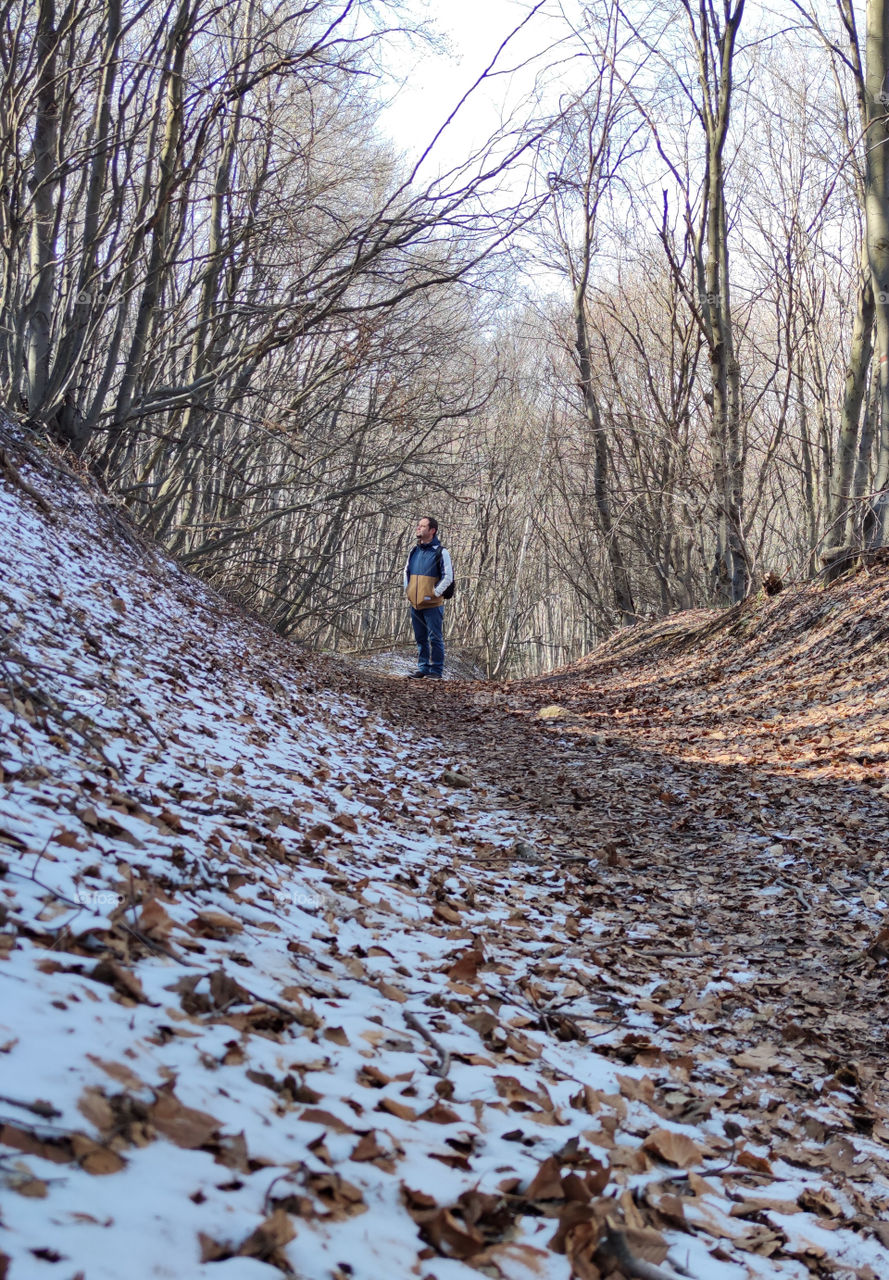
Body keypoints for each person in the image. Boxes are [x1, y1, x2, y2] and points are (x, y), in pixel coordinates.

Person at [403, 516, 453, 679]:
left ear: (432, 530)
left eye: (423, 526)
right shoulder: (414, 551)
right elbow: (406, 572)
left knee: (435, 638)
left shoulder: (441, 552)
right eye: (418, 525)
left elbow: (448, 576)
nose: (418, 528)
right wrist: (408, 591)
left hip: (433, 605)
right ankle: (423, 668)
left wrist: (434, 593)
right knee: (420, 638)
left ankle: (436, 671)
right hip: (415, 603)